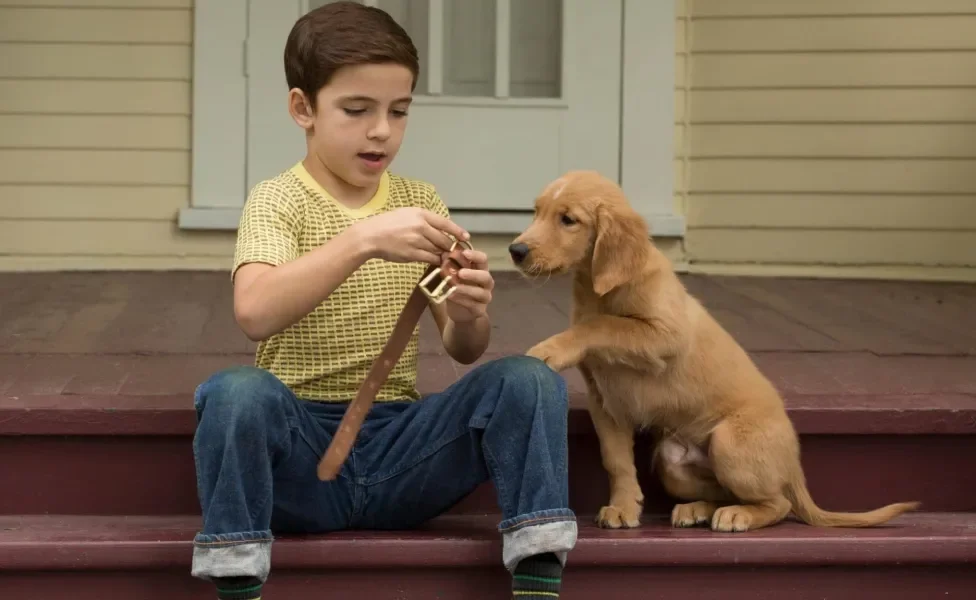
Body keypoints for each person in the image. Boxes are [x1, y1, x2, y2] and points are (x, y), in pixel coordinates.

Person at [188, 3, 575, 599]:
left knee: (530, 380)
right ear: (303, 109)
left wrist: (471, 309)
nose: (381, 131)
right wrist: (363, 239)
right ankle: (237, 582)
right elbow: (254, 310)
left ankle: (539, 577)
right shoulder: (277, 200)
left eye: (399, 111)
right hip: (300, 447)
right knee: (235, 393)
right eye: (357, 109)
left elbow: (464, 349)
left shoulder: (421, 201)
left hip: (403, 449)